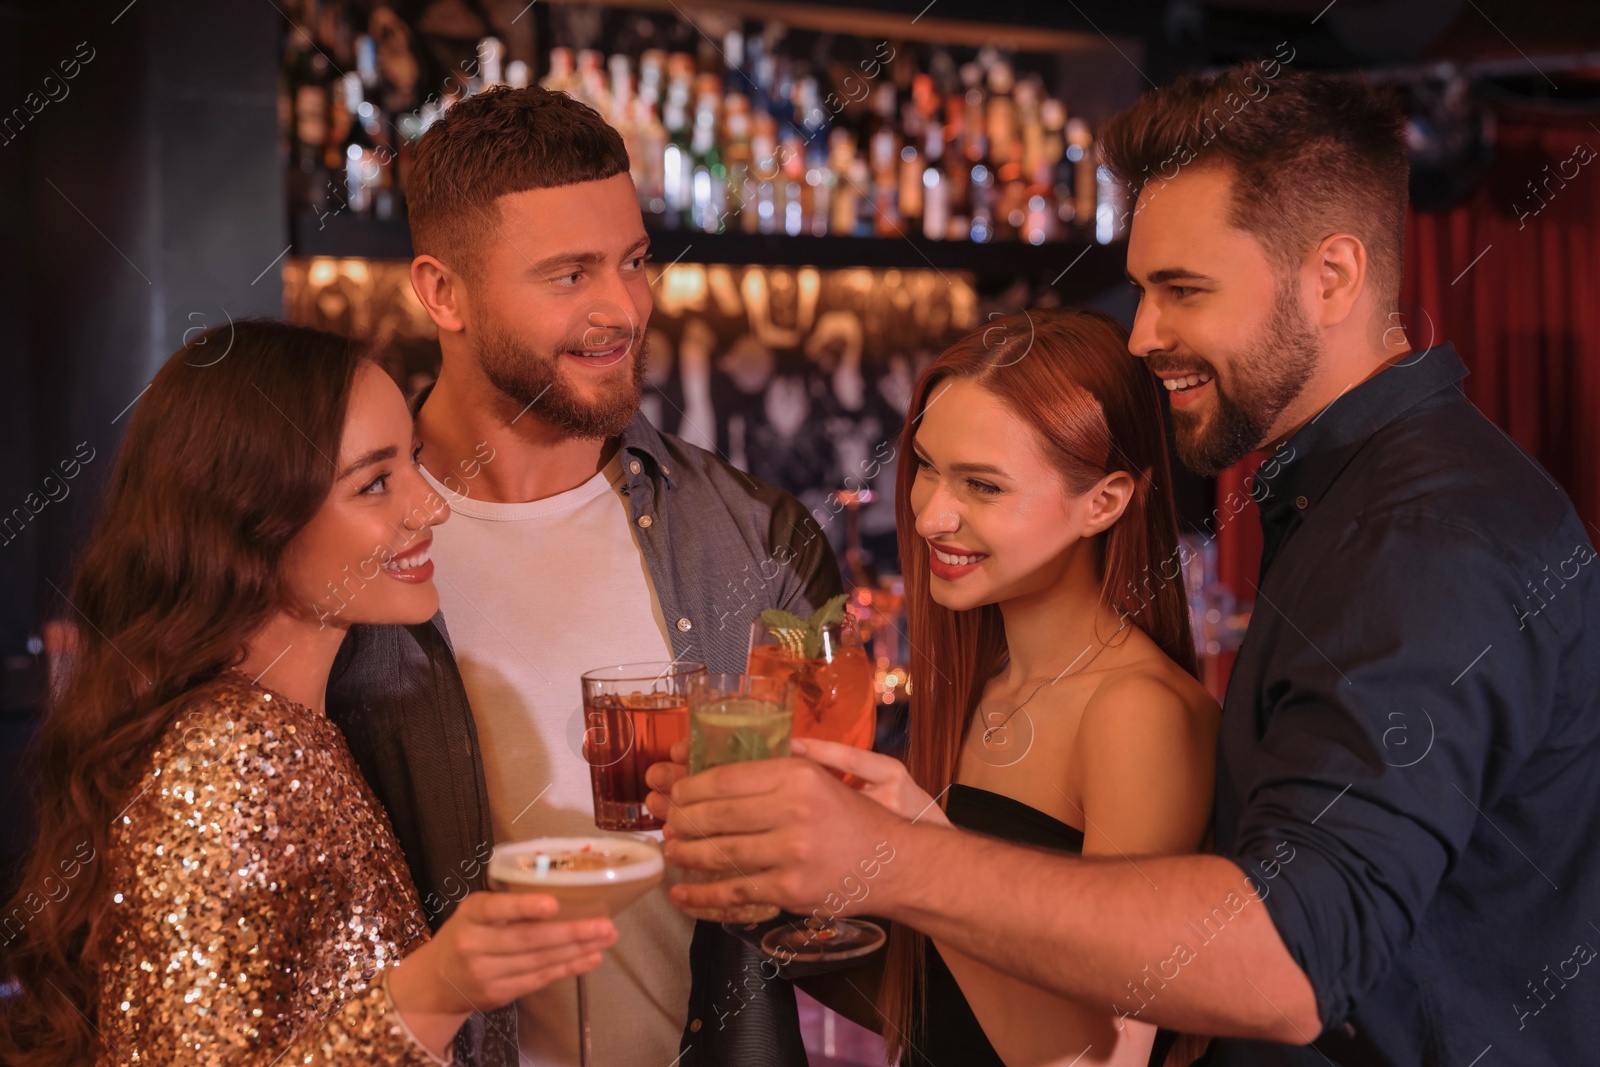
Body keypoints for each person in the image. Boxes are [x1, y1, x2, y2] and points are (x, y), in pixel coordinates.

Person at [647, 64, 1600, 1065]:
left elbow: (1288, 957)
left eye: (1182, 290)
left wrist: (892, 858)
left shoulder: (1425, 533)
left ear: (1333, 276)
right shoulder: (1345, 500)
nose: (1143, 335)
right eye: (1142, 289)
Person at [324, 86, 840, 1067]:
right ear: (443, 294)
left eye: (634, 262)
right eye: (570, 274)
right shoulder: (341, 547)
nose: (624, 308)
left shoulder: (761, 539)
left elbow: (838, 865)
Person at [0, 322, 618, 1066]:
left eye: (413, 463)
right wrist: (432, 990)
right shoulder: (224, 763)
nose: (431, 509)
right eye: (375, 482)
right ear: (254, 521)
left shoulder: (298, 726)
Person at [792, 308, 1220, 1066]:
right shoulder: (988, 679)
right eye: (924, 464)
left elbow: (1103, 1059)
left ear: (1106, 500)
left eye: (982, 485)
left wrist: (914, 854)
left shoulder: (1136, 714)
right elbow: (944, 1008)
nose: (929, 514)